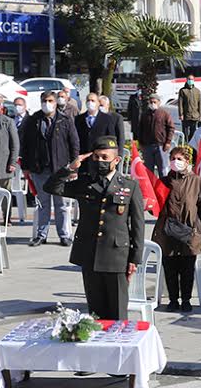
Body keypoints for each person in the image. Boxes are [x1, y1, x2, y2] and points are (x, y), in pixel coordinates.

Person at [45, 136, 145, 320]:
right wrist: (69, 168)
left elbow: (138, 225)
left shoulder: (129, 186)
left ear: (116, 160)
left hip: (116, 256)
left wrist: (135, 258)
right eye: (96, 157)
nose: (100, 162)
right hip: (90, 254)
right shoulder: (86, 183)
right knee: (96, 314)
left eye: (104, 158)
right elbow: (51, 187)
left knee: (117, 313)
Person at [152, 146, 201, 311]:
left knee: (187, 268)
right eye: (172, 159)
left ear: (187, 162)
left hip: (189, 230)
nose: (175, 162)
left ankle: (186, 300)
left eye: (179, 159)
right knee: (170, 268)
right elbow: (155, 206)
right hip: (167, 231)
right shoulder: (163, 181)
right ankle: (172, 300)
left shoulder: (196, 181)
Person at [20, 91, 79, 246]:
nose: (48, 103)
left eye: (50, 100)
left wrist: (73, 168)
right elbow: (25, 145)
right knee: (43, 203)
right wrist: (26, 167)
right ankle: (41, 234)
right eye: (45, 100)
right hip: (39, 168)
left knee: (60, 204)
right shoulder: (33, 120)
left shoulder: (65, 120)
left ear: (55, 102)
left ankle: (64, 235)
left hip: (60, 169)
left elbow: (74, 145)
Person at [138, 94, 174, 177]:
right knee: (148, 170)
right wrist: (140, 143)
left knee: (163, 169)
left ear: (159, 102)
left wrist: (168, 142)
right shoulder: (144, 114)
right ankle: (150, 188)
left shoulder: (164, 113)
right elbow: (140, 129)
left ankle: (163, 188)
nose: (153, 104)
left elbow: (171, 128)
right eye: (151, 102)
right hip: (147, 146)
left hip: (161, 146)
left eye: (154, 102)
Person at [176, 74, 201, 140]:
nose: (190, 81)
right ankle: (186, 145)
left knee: (193, 132)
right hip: (186, 116)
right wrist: (181, 114)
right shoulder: (183, 90)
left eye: (192, 79)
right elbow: (180, 103)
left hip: (195, 116)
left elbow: (199, 104)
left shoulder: (197, 91)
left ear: (194, 80)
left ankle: (192, 146)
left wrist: (200, 115)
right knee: (185, 132)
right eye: (189, 79)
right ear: (186, 80)